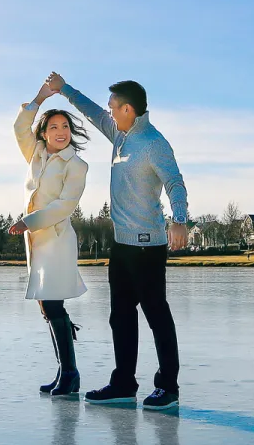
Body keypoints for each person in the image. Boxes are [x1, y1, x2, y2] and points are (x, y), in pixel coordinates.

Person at [43, 72, 188, 411]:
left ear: (127, 109)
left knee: (156, 315)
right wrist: (64, 89)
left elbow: (175, 182)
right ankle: (124, 383)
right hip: (122, 246)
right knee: (120, 316)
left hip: (147, 246)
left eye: (113, 107)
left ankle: (168, 387)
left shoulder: (153, 143)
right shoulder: (119, 134)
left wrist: (179, 220)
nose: (108, 111)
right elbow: (92, 112)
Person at [10, 82, 91, 397]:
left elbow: (65, 205)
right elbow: (20, 128)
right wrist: (41, 97)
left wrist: (28, 222)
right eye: (54, 127)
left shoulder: (76, 165)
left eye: (65, 127)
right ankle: (65, 371)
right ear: (43, 133)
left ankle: (70, 374)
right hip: (36, 242)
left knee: (53, 304)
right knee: (47, 306)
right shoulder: (36, 154)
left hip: (56, 240)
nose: (61, 132)